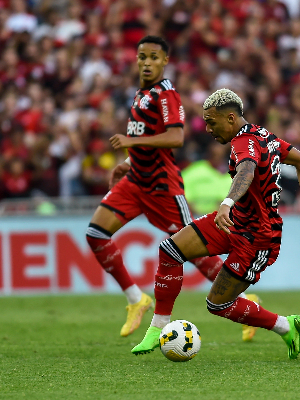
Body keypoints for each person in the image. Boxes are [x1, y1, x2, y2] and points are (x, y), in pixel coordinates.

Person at [131, 88, 300, 359]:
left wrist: (227, 203)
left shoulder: (244, 143)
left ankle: (285, 325)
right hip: (236, 222)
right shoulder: (264, 136)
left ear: (230, 118)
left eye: (211, 122)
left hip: (257, 237)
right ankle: (157, 328)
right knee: (170, 250)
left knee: (218, 305)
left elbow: (247, 170)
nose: (207, 129)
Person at [85, 36, 242, 340]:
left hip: (162, 187)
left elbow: (175, 138)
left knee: (194, 250)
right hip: (136, 182)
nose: (146, 62)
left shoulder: (166, 95)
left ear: (165, 61)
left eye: (153, 57)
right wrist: (130, 161)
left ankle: (244, 301)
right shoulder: (141, 93)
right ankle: (136, 299)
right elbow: (150, 137)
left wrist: (131, 143)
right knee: (95, 233)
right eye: (142, 56)